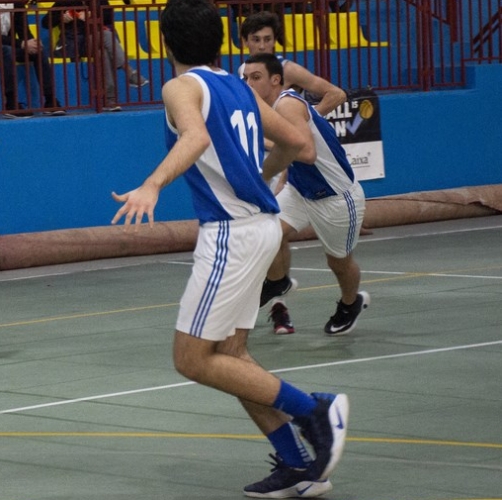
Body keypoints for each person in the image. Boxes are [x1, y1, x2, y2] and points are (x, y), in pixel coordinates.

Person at [110, 0, 349, 497]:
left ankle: (315, 411)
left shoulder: (180, 86)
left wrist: (153, 184)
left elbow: (195, 137)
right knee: (230, 355)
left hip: (230, 234)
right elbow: (297, 143)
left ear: (164, 42)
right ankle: (295, 462)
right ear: (220, 40)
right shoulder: (239, 86)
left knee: (191, 359)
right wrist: (261, 174)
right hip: (261, 227)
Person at [243, 53, 368, 337]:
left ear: (275, 80)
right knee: (264, 231)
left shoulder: (287, 104)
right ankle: (278, 282)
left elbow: (307, 153)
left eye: (256, 77)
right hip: (300, 191)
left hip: (335, 198)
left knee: (338, 262)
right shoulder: (265, 109)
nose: (249, 84)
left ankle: (350, 304)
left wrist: (264, 159)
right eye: (246, 78)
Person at [41, 0, 148, 112]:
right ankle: (129, 72)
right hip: (74, 43)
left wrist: (91, 15)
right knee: (106, 35)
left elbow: (109, 16)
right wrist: (61, 18)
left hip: (93, 41)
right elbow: (45, 22)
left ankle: (109, 100)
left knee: (102, 52)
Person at [238, 10, 346, 117]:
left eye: (267, 39)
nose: (262, 46)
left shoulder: (287, 69)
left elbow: (337, 94)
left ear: (274, 41)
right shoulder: (243, 69)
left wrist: (308, 120)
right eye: (256, 40)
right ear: (245, 41)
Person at [0, 2, 65, 118]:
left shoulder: (18, 5)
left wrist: (33, 43)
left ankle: (50, 100)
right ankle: (11, 104)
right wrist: (22, 43)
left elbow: (24, 31)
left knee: (38, 51)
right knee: (7, 51)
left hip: (7, 46)